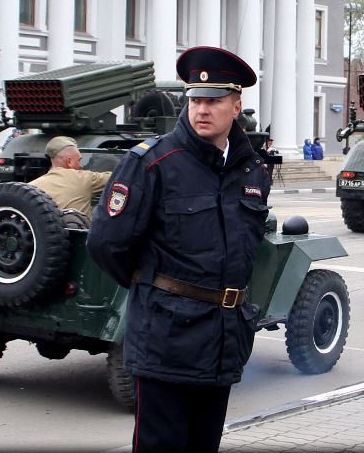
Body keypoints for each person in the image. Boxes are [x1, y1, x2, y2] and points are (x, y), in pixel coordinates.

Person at [87, 46, 272, 453]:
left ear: (236, 106)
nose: (202, 109)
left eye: (213, 101)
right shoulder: (153, 163)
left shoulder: (251, 171)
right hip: (166, 341)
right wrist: (154, 287)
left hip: (224, 338)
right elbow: (106, 243)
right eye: (196, 100)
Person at [27, 135, 111, 218]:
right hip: (77, 230)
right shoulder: (84, 178)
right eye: (79, 160)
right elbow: (116, 177)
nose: (81, 166)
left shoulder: (31, 187)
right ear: (69, 161)